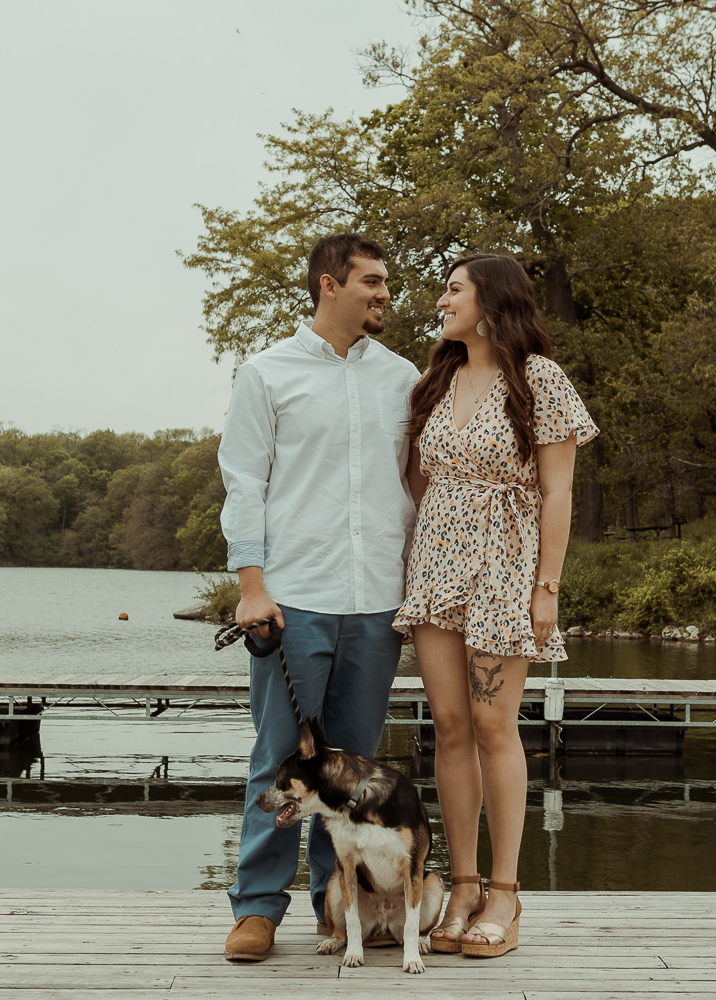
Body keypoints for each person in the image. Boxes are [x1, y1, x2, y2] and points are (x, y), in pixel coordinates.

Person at [218, 233, 421, 962]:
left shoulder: (403, 378)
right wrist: (251, 587)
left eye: (386, 281)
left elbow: (419, 483)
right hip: (293, 599)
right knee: (280, 758)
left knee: (354, 771)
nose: (384, 293)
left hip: (377, 602)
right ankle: (256, 909)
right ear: (329, 285)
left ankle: (339, 910)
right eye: (371, 280)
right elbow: (244, 482)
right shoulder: (267, 373)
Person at [393, 254, 598, 959]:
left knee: (492, 723)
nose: (441, 300)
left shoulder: (539, 378)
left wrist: (547, 585)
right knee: (448, 725)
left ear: (491, 301)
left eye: (453, 289)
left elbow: (560, 492)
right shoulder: (435, 380)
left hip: (507, 566)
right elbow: (420, 480)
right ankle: (465, 884)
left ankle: (507, 893)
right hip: (438, 564)